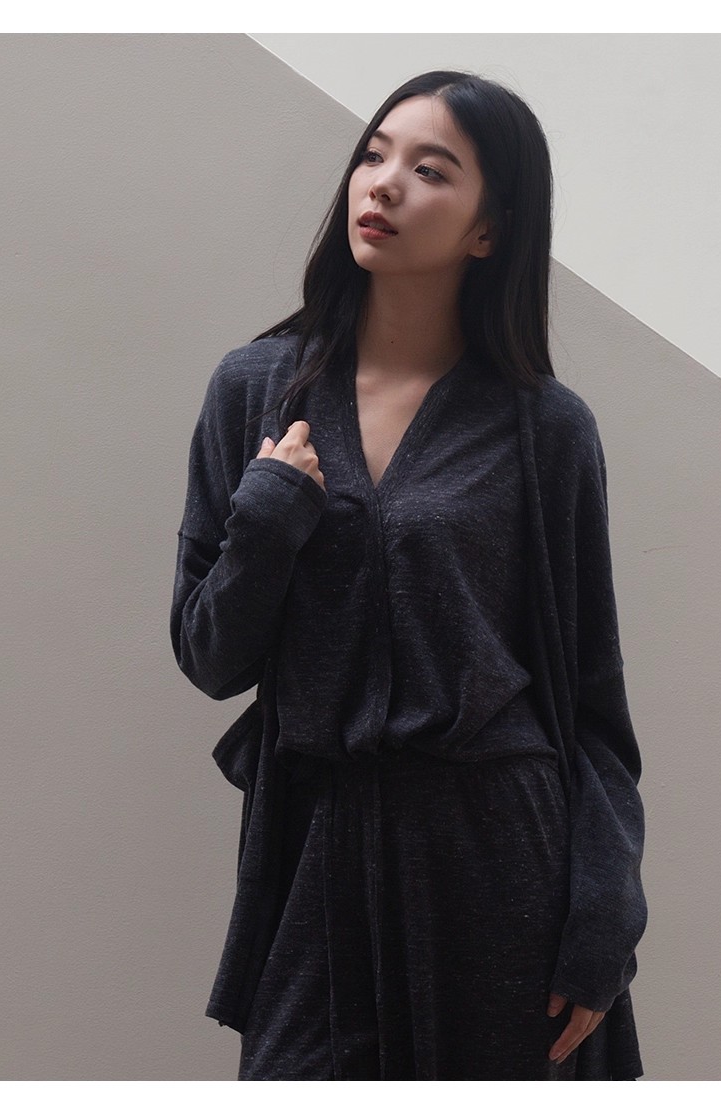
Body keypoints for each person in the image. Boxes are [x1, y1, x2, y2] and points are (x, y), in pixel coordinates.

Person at [170, 70, 647, 1080]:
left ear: (488, 230)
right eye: (374, 155)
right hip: (317, 854)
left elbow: (592, 705)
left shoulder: (545, 430)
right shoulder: (254, 389)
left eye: (430, 170)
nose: (382, 183)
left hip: (500, 858)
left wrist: (604, 911)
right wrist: (267, 520)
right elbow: (210, 658)